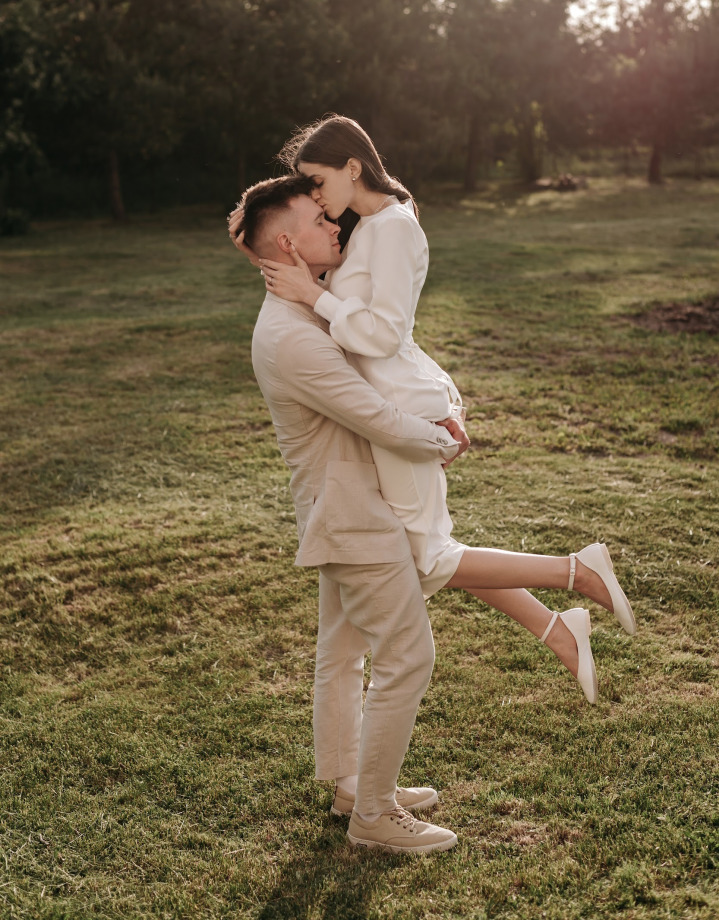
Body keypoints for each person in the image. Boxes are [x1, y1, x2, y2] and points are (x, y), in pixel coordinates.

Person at [228, 173, 636, 855]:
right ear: (289, 243)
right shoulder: (290, 335)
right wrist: (439, 439)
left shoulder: (312, 307)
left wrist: (441, 403)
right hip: (354, 516)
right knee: (407, 657)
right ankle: (375, 816)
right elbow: (376, 419)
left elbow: (391, 356)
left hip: (353, 506)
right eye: (319, 219)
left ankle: (351, 785)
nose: (337, 225)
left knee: (343, 653)